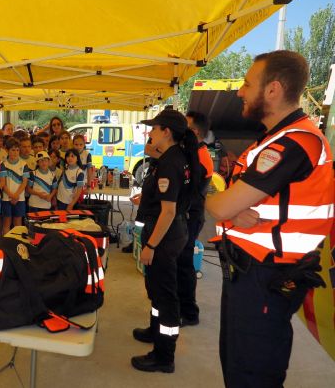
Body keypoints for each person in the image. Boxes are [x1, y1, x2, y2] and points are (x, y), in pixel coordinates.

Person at [205, 50, 334, 387]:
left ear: (273, 89)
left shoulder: (293, 143)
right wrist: (230, 207)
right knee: (237, 365)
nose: (240, 92)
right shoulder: (274, 140)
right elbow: (231, 206)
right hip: (253, 272)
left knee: (252, 374)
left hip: (267, 276)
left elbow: (221, 207)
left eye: (248, 84)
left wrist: (222, 204)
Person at [131, 109, 199, 374]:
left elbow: (168, 212)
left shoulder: (170, 162)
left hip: (165, 235)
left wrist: (150, 246)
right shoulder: (174, 156)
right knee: (159, 291)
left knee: (166, 296)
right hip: (171, 231)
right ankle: (156, 333)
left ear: (166, 132)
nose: (150, 133)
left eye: (154, 128)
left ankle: (164, 356)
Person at [176, 111, 213, 327]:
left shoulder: (201, 156)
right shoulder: (193, 153)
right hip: (187, 213)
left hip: (192, 215)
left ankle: (189, 312)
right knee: (180, 262)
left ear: (195, 132)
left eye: (185, 126)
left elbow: (190, 191)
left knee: (184, 262)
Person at [0, 138, 29, 233]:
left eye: (17, 150)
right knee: (6, 223)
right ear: (7, 150)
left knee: (18, 223)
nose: (15, 152)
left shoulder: (24, 164)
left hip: (19, 198)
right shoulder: (3, 164)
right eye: (13, 150)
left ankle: (17, 244)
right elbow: (3, 183)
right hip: (6, 198)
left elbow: (24, 183)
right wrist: (11, 195)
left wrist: (16, 195)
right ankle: (6, 244)